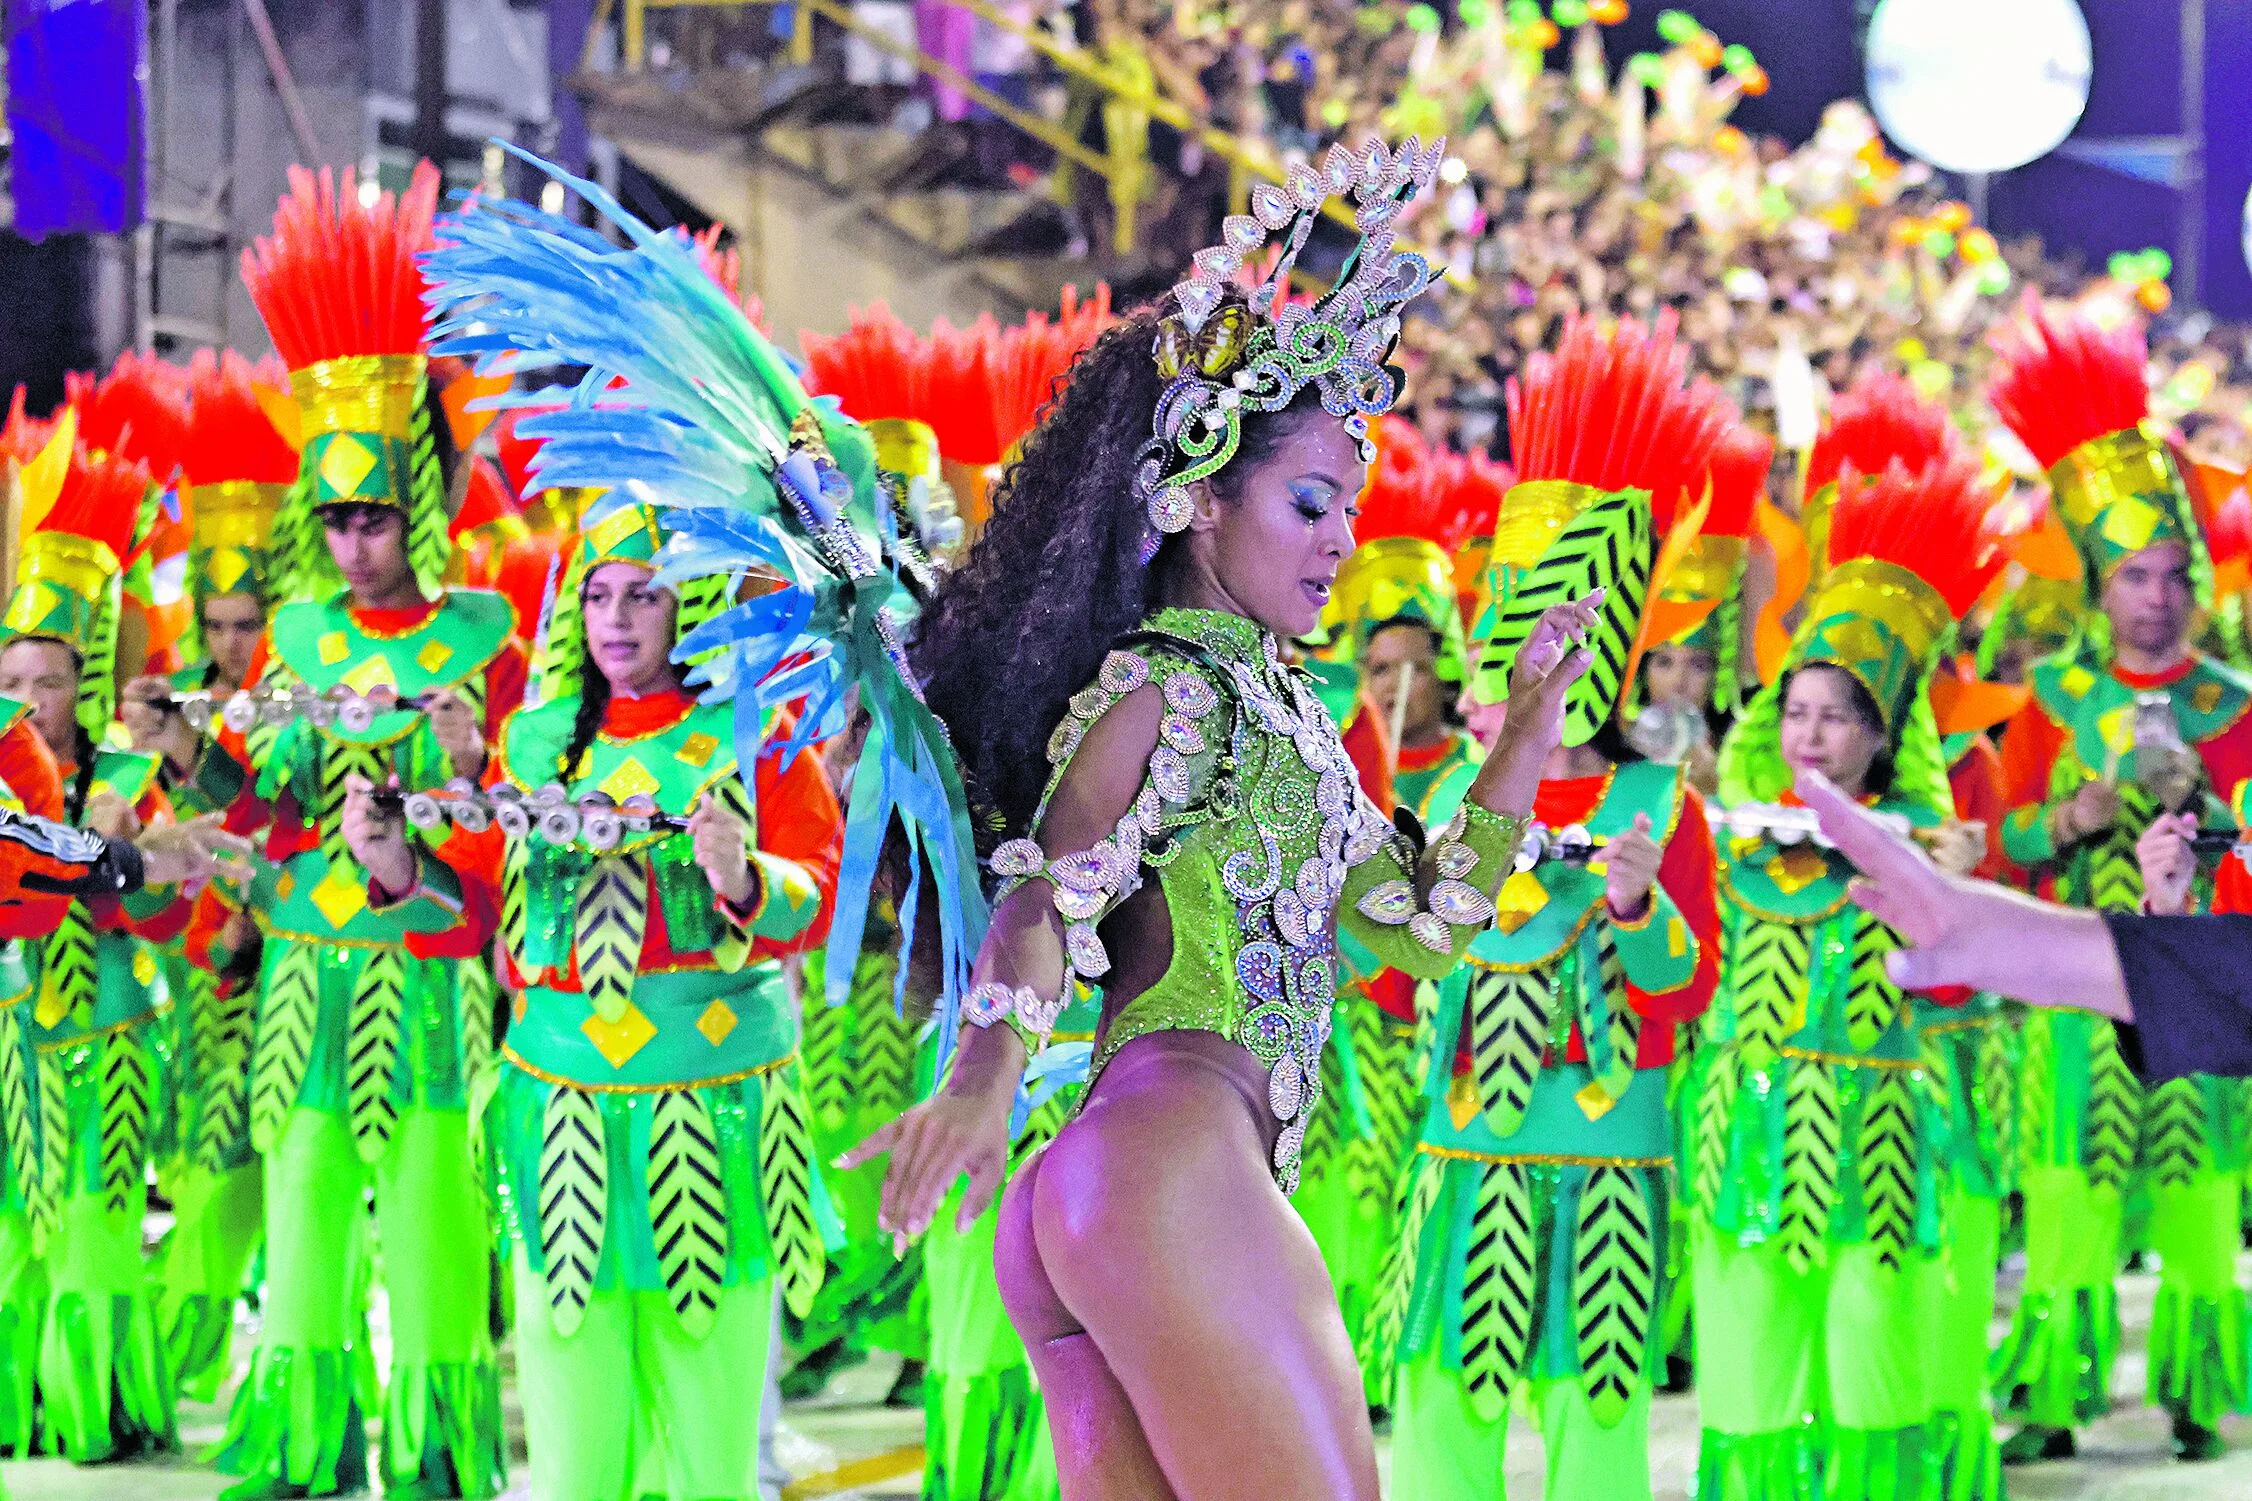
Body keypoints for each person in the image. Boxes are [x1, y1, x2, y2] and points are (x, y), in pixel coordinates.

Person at [847, 143, 1602, 1497]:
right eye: (1310, 504)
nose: (1337, 544)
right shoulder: (1167, 685)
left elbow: (1427, 927)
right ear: (1197, 497)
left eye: (1350, 514)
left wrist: (1526, 741)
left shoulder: (1285, 717)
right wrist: (979, 1079)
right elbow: (1044, 892)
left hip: (1134, 1189)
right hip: (1167, 1169)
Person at [343, 495, 843, 1501]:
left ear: (689, 605)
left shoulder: (758, 734)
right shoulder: (534, 746)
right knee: (573, 1426)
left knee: (708, 1418)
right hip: (557, 1113)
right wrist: (391, 862)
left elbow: (820, 892)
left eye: (644, 596)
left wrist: (743, 877)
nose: (616, 619)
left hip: (715, 1108)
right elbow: (473, 904)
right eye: (599, 596)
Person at [211, 160, 523, 1500]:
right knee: (308, 1213)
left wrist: (465, 755)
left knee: (439, 1232)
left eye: (374, 514)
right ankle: (299, 1442)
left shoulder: (488, 633)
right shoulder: (287, 636)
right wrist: (223, 768)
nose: (351, 543)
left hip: (435, 970)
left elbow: (522, 809)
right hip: (304, 975)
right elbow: (255, 808)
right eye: (332, 517)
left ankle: (437, 1453)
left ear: (420, 498)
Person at [1381, 312, 1729, 1501]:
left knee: (1596, 1421)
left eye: (1564, 632)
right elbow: (1390, 978)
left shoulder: (1655, 799)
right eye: (1518, 627)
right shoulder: (1436, 790)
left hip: (1607, 1152)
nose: (1534, 655)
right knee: (1436, 1409)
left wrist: (1636, 909)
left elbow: (1687, 989)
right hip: (1460, 1141)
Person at [1689, 384, 2000, 1501]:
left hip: (1882, 1143)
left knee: (1876, 1361)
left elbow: (1968, 1006)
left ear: (1878, 733)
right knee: (1748, 1371)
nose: (1807, 734)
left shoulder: (1925, 853)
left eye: (1834, 716)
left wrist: (1948, 896)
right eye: (1793, 711)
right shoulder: (1723, 835)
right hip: (1747, 1138)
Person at [1985, 303, 2252, 1465]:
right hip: (2078, 976)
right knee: (2067, 1189)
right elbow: (1998, 851)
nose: (2155, 596)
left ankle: (2199, 1393)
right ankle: (2051, 1395)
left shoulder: (2232, 702)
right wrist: (2070, 815)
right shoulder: (2046, 701)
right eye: (2133, 576)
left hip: (2194, 976)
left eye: (2170, 576)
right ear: (2097, 583)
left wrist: (2218, 812)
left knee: (2197, 1189)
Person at [0, 398, 198, 1463]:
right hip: (9, 1042)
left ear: (87, 681)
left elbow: (172, 911)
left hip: (114, 1036)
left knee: (98, 1236)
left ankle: (99, 1409)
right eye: (13, 679)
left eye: (53, 678)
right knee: (9, 1240)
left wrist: (128, 854)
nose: (30, 700)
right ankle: (17, 1407)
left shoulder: (128, 774)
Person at [1302, 414, 1502, 1407]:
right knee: (1319, 1177)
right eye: (1379, 668)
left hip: (1405, 1011)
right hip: (1324, 1002)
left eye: (1416, 666)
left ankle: (1372, 1358)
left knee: (1382, 1175)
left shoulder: (1468, 771)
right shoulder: (1330, 753)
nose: (1397, 684)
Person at [123, 346, 297, 1406]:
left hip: (280, 970)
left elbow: (289, 831)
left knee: (245, 1156)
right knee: (198, 1151)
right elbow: (142, 841)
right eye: (218, 627)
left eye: (249, 625)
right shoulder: (164, 712)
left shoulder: (297, 701)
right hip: (188, 976)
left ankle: (199, 1344)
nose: (231, 644)